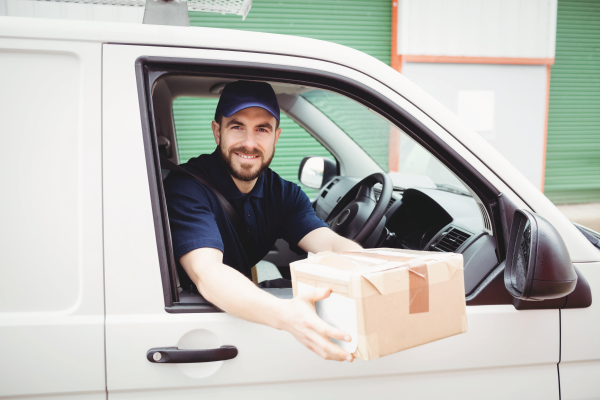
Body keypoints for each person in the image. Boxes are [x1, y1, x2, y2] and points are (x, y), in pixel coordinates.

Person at [164, 80, 362, 362]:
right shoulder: (187, 188)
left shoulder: (283, 193)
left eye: (262, 129)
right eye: (237, 126)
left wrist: (373, 268)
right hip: (197, 327)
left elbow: (328, 241)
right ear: (217, 132)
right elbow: (206, 273)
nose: (249, 143)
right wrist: (287, 315)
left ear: (276, 137)